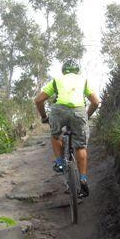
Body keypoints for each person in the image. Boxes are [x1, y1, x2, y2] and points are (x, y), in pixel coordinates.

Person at [35, 59, 100, 197]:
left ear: (64, 70)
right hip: (79, 111)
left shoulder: (57, 80)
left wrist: (44, 117)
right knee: (81, 147)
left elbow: (38, 100)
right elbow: (95, 101)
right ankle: (83, 180)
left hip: (59, 111)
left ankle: (59, 163)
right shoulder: (84, 80)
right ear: (77, 70)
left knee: (55, 135)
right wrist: (86, 115)